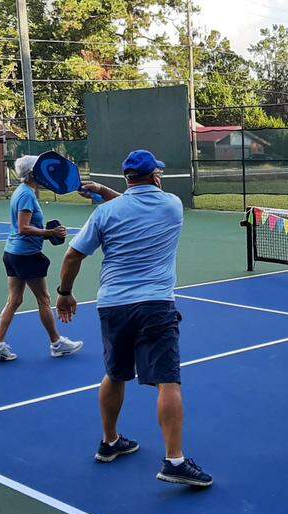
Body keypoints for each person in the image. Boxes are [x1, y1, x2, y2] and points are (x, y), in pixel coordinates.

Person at [56, 150, 213, 488]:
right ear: (155, 176)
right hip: (156, 306)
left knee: (114, 374)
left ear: (128, 178)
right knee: (168, 381)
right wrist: (103, 190)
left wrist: (65, 292)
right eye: (159, 171)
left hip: (113, 306)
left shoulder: (105, 213)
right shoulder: (172, 206)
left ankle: (110, 442)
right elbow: (135, 206)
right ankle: (175, 461)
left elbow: (73, 254)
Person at [0, 155, 84, 362]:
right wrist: (49, 233)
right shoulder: (26, 195)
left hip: (13, 253)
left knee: (14, 300)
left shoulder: (23, 192)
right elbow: (23, 228)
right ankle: (57, 343)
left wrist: (48, 230)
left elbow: (25, 227)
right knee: (44, 299)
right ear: (33, 173)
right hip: (25, 255)